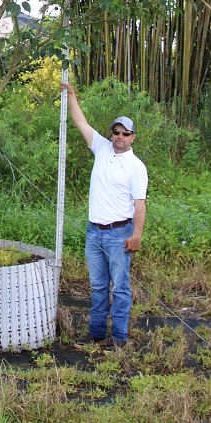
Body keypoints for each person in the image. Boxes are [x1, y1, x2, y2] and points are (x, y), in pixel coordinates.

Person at [60, 81, 148, 346]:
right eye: (116, 132)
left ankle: (119, 338)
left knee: (120, 288)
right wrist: (72, 95)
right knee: (98, 287)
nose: (119, 136)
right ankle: (96, 333)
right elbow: (81, 123)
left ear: (133, 137)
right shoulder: (101, 148)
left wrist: (136, 236)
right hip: (94, 233)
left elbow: (140, 205)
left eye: (125, 133)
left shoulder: (136, 167)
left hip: (118, 234)